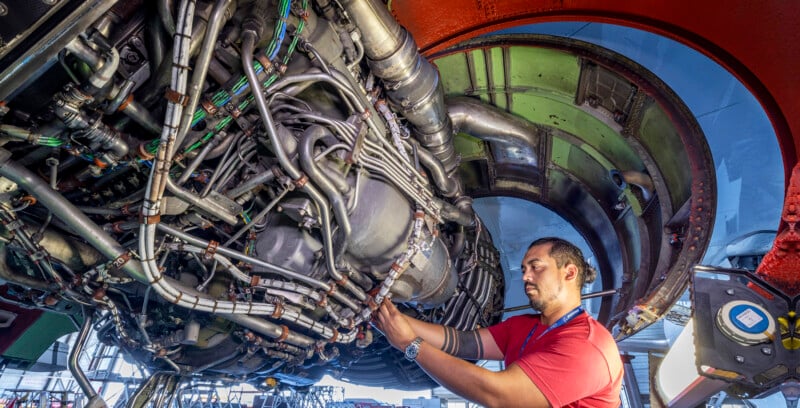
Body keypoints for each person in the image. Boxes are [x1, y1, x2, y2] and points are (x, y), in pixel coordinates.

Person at [374, 237, 624, 407]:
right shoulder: (524, 326)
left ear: (570, 272)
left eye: (536, 267)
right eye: (524, 268)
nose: (525, 276)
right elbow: (464, 343)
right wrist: (389, 318)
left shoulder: (588, 347)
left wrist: (410, 344)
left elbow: (498, 395)